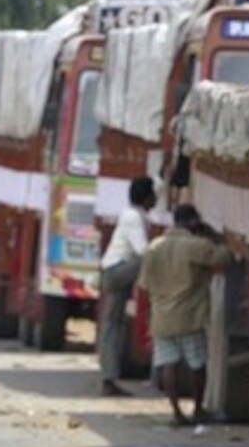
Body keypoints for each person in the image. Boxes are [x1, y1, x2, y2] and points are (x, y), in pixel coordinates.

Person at [137, 204, 232, 426]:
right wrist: (212, 236)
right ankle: (198, 409)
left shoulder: (154, 247)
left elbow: (143, 284)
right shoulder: (194, 246)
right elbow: (224, 257)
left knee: (170, 364)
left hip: (161, 318)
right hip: (190, 316)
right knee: (197, 364)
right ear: (193, 222)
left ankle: (176, 412)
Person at [98, 177, 157, 397]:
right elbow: (143, 251)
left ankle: (109, 376)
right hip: (117, 271)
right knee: (112, 325)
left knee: (113, 324)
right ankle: (108, 377)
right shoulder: (134, 217)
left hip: (115, 271)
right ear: (146, 196)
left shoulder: (133, 215)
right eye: (152, 194)